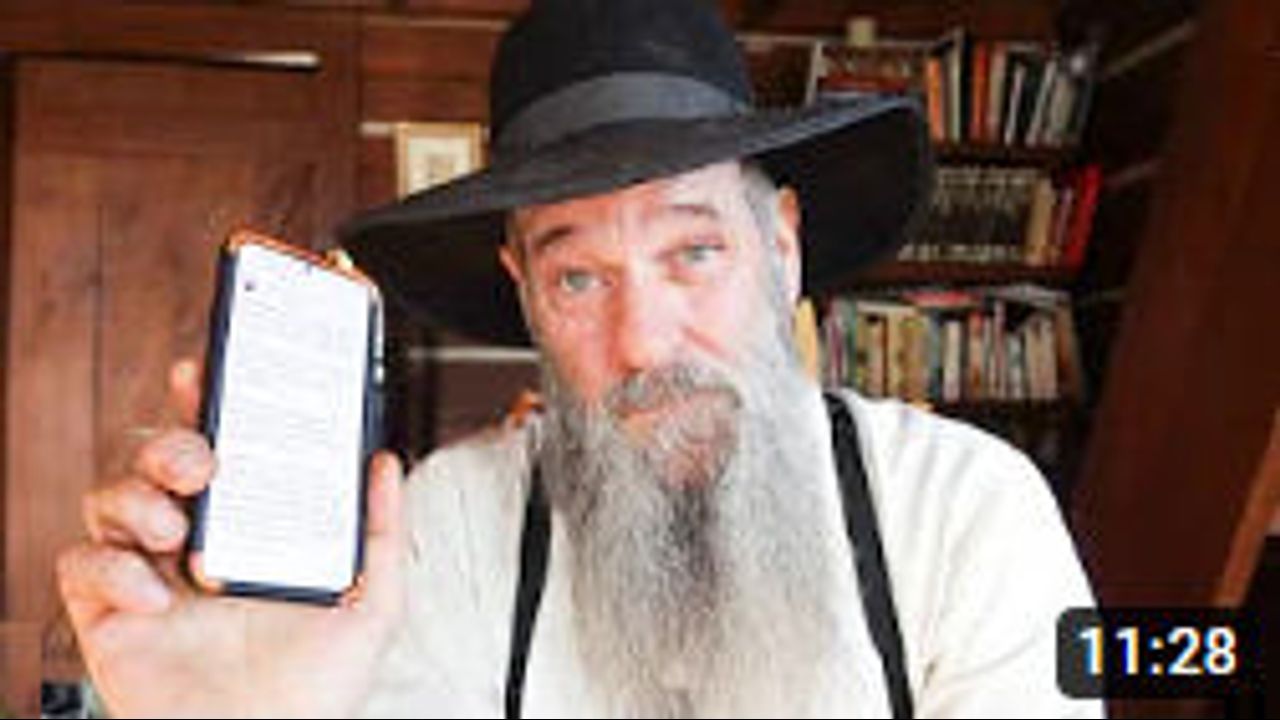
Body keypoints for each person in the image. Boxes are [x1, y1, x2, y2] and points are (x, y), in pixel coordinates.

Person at [57, 0, 1101, 717]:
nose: (642, 341)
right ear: (522, 289)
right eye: (577, 279)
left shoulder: (964, 512)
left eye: (693, 253)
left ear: (780, 247)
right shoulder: (450, 527)